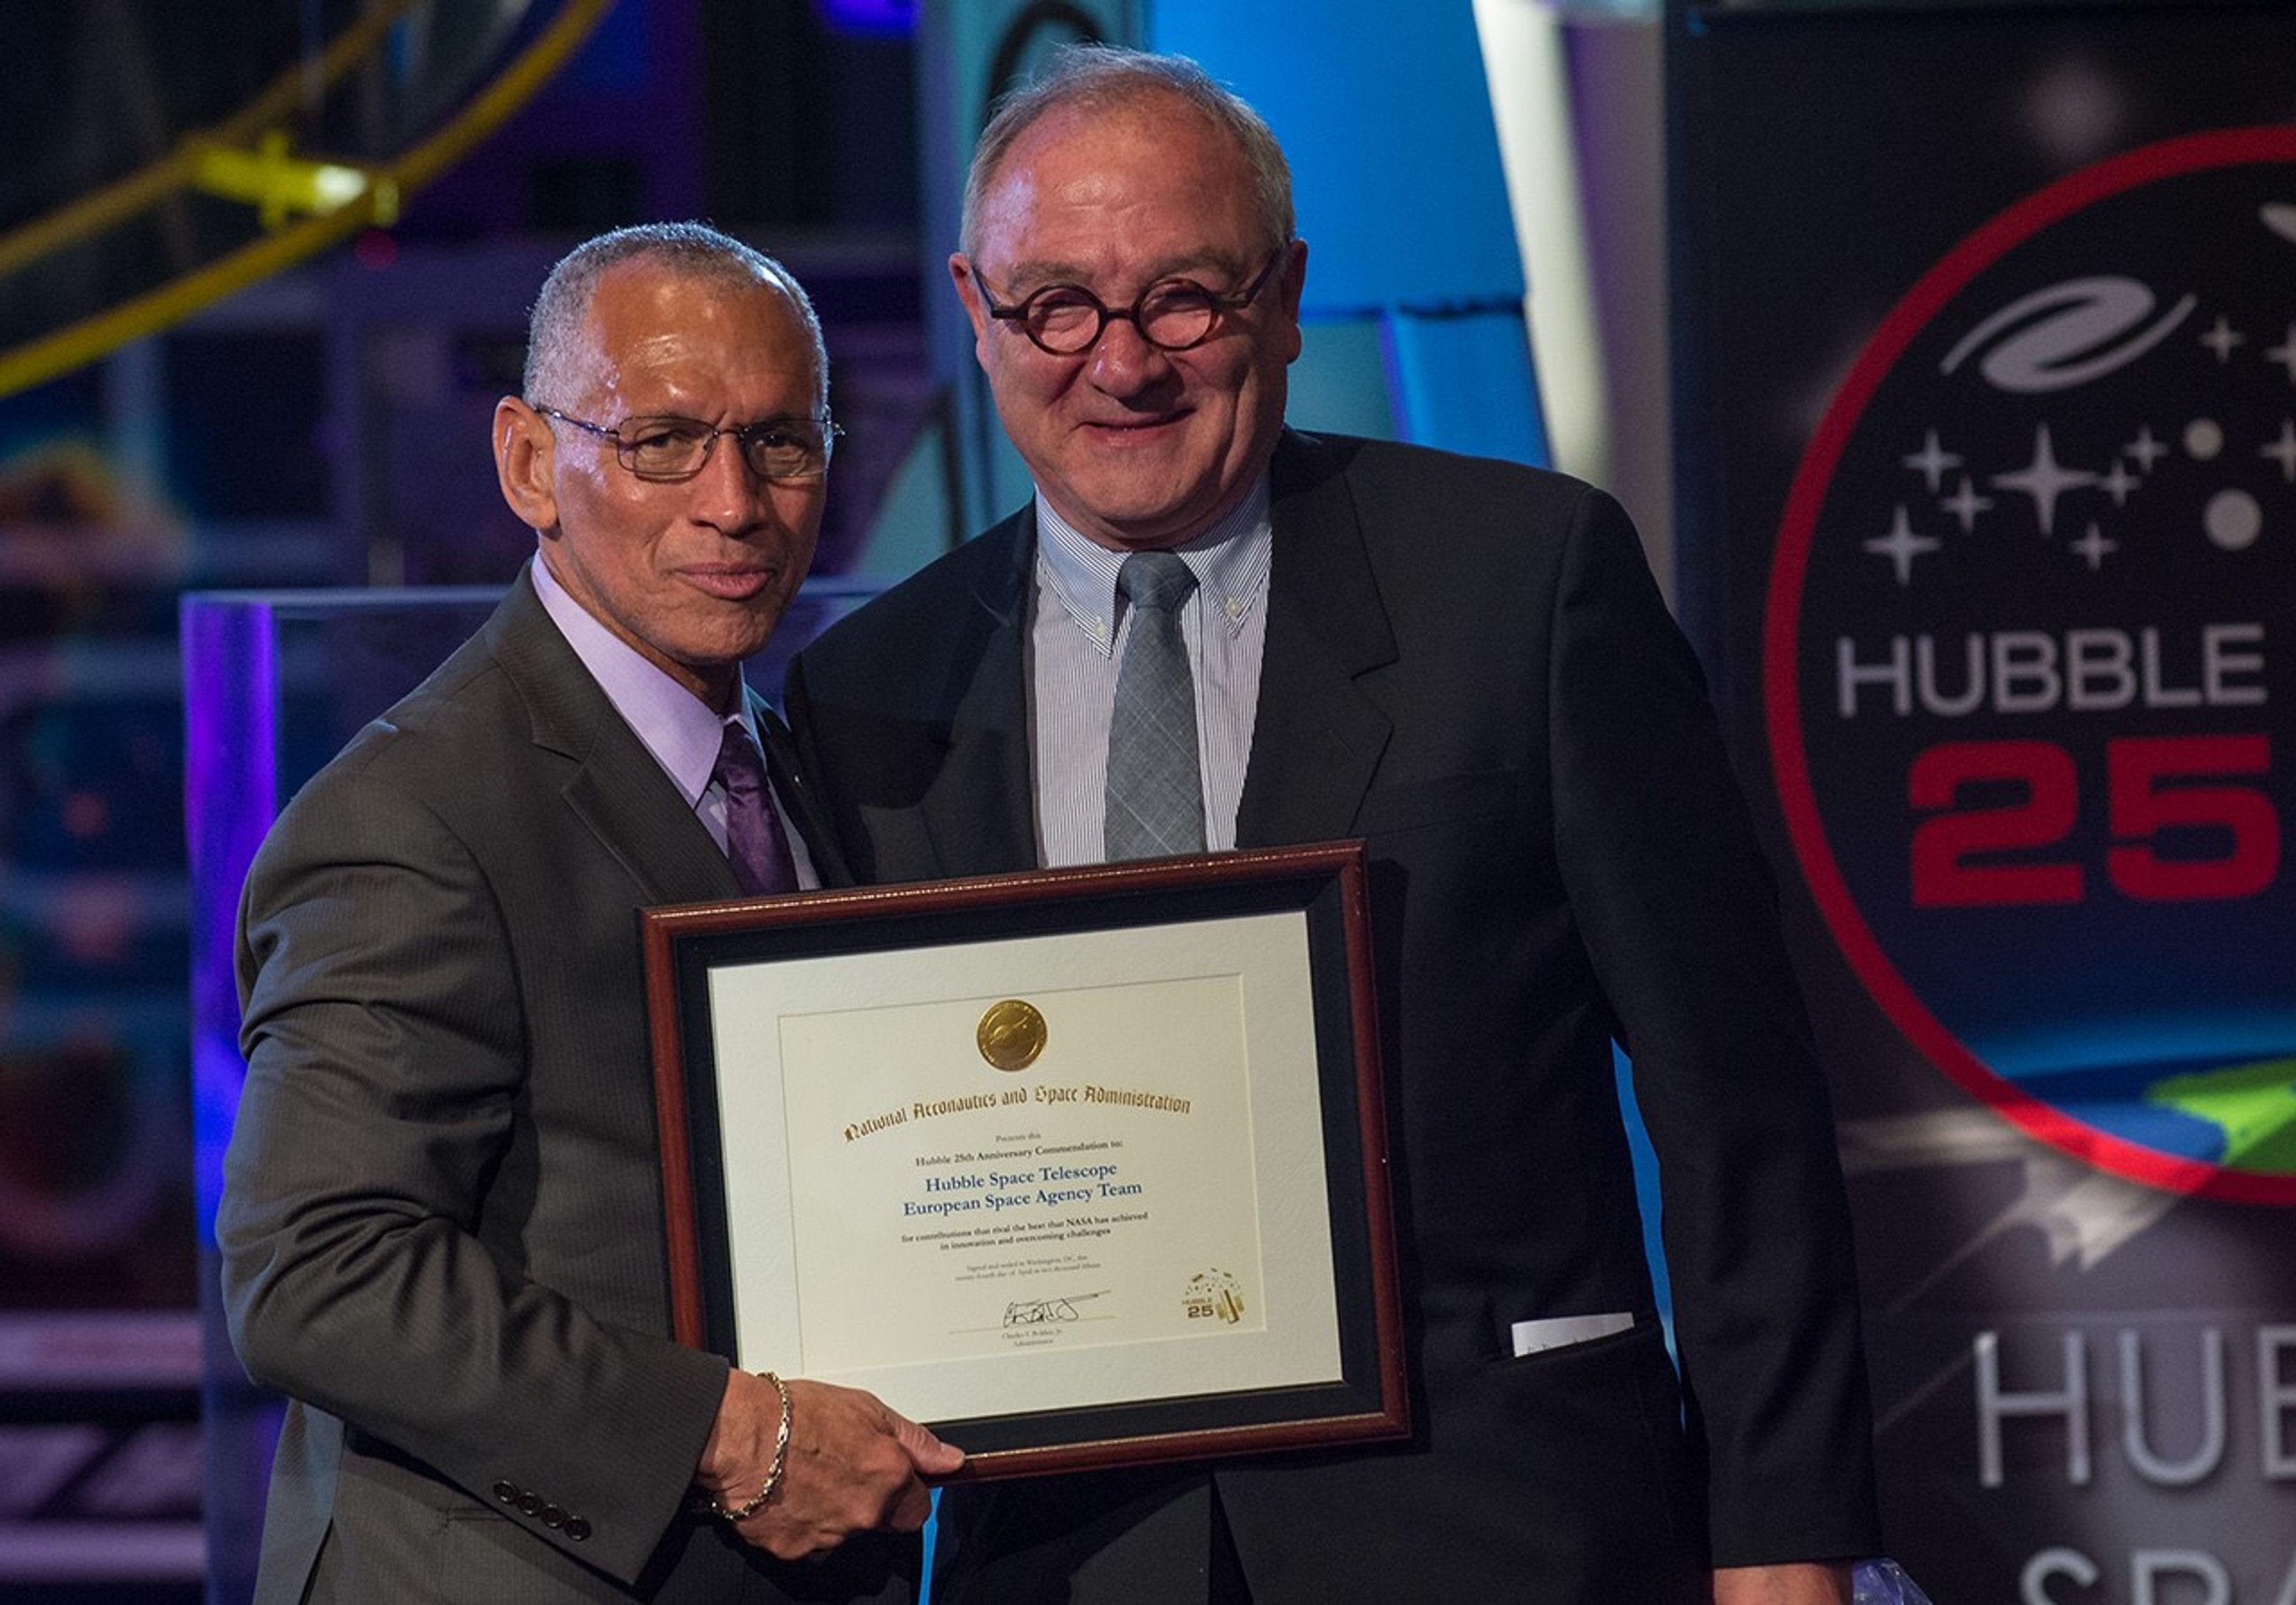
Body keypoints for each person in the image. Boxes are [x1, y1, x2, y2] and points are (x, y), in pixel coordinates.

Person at [783, 47, 1881, 1605]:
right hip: (1069, 1557)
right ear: (976, 310)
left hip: (1500, 1525)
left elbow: (1736, 1090)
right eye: (1056, 307)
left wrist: (1787, 1529)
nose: (1122, 361)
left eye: (1185, 297)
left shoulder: (1525, 580)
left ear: (1285, 296)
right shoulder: (869, 689)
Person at [218, 222, 963, 1605]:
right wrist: (735, 1436)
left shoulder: (797, 766)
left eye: (782, 443)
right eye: (663, 441)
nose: (733, 501)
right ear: (525, 464)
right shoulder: (410, 813)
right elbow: (316, 1270)